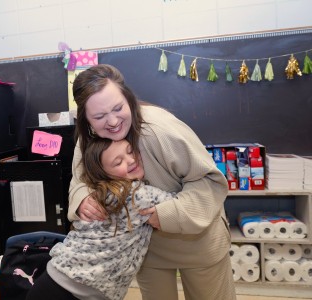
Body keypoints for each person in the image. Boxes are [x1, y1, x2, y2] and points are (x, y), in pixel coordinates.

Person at [69, 64, 236, 300]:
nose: (113, 121)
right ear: (85, 120)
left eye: (118, 108)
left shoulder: (161, 129)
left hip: (199, 243)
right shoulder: (90, 138)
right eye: (99, 116)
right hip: (146, 248)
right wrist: (82, 198)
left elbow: (210, 181)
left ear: (129, 99)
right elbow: (80, 178)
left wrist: (168, 213)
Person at [26, 138, 174, 300]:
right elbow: (179, 205)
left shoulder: (99, 192)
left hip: (57, 282)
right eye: (118, 163)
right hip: (70, 292)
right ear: (104, 174)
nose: (131, 160)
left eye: (131, 151)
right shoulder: (136, 195)